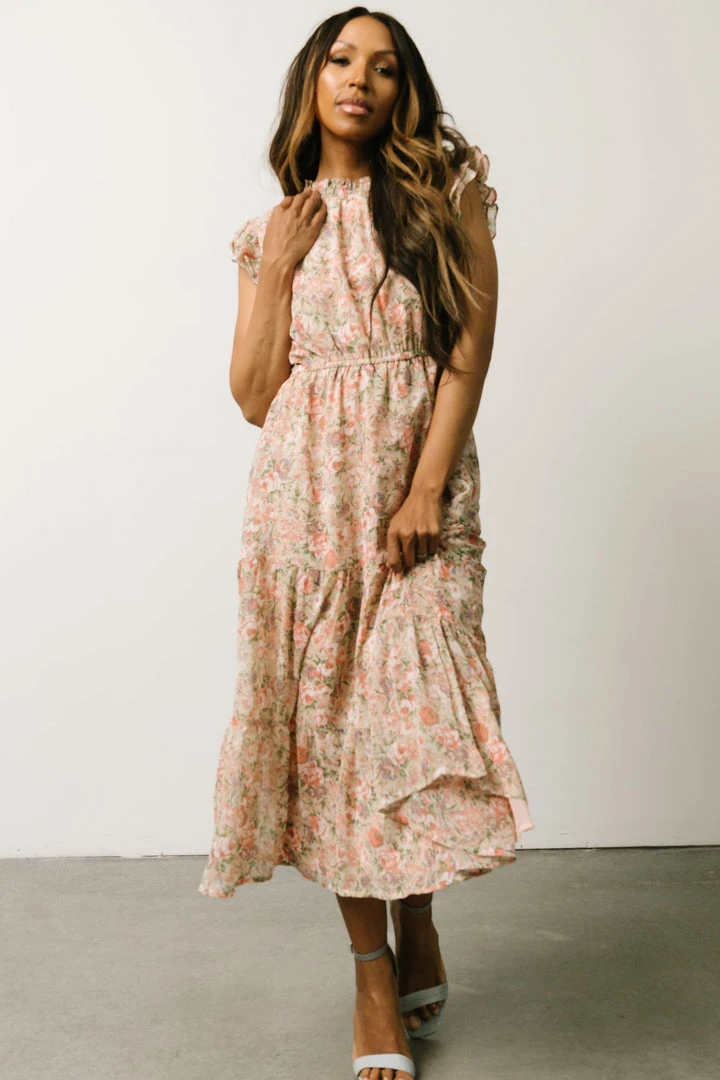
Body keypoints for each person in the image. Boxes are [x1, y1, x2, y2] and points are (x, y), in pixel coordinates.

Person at [198, 7, 535, 1078]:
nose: (360, 79)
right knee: (335, 740)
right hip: (306, 507)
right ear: (312, 81)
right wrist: (279, 268)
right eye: (342, 60)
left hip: (417, 496)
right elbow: (256, 397)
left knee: (412, 717)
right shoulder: (269, 229)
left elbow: (471, 345)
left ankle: (418, 911)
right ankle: (371, 973)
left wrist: (426, 487)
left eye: (384, 68)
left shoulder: (447, 195)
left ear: (404, 92)